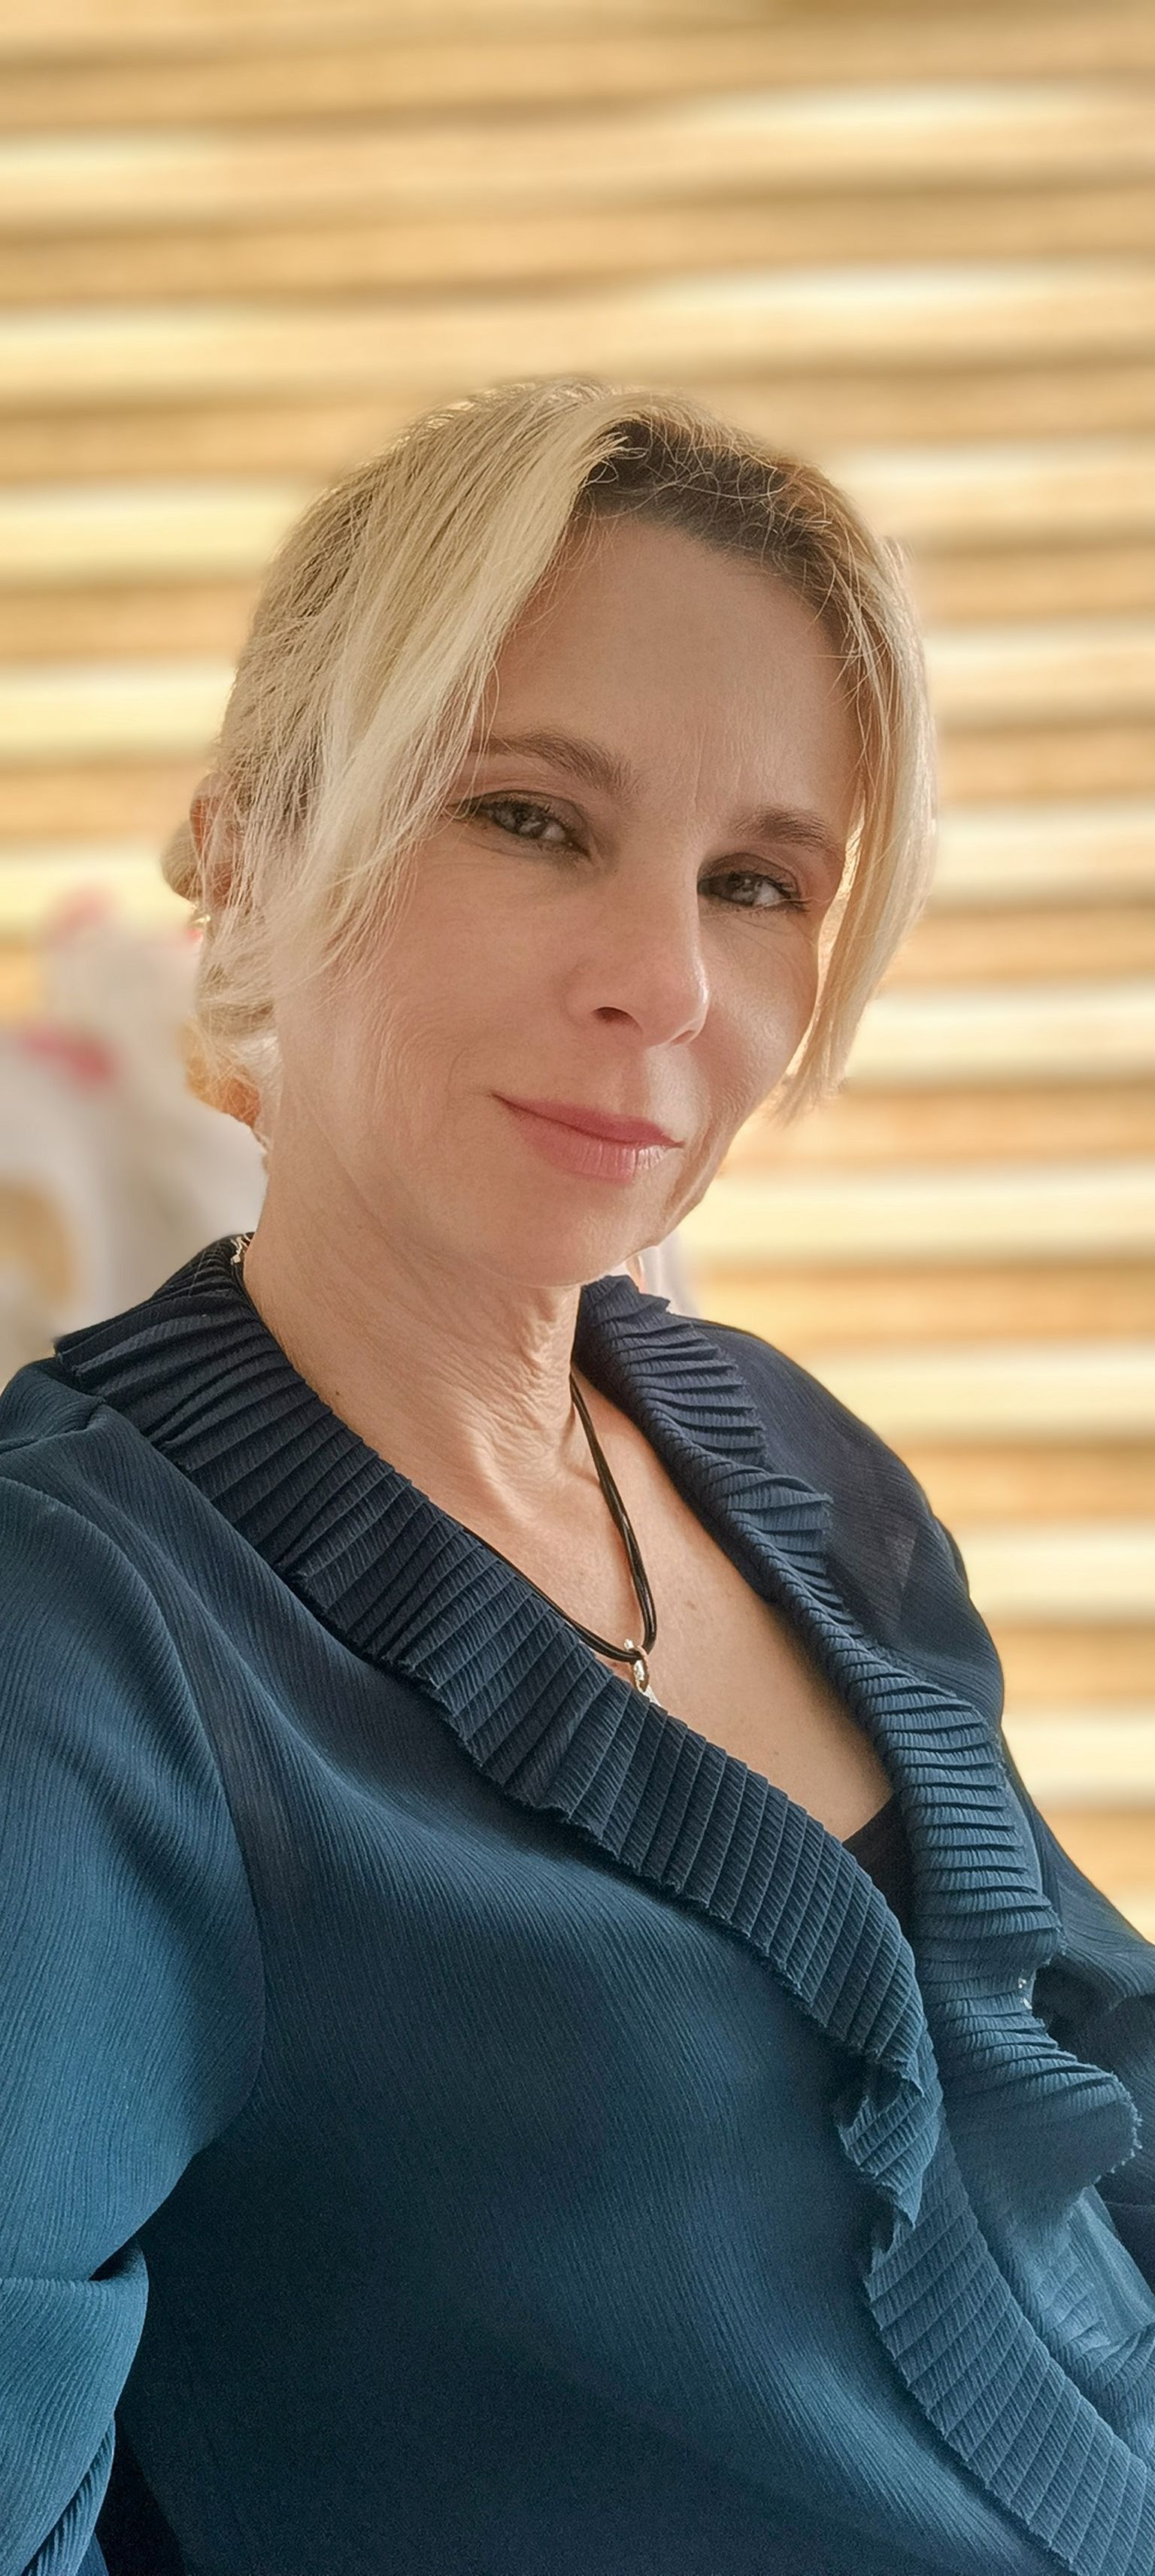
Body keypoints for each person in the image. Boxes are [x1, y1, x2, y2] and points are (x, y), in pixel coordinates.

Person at [2, 377, 1152, 2576]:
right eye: (531, 816)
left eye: (757, 882)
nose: (664, 981)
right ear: (248, 845)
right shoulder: (82, 1646)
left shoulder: (795, 1460)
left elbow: (1091, 2079)